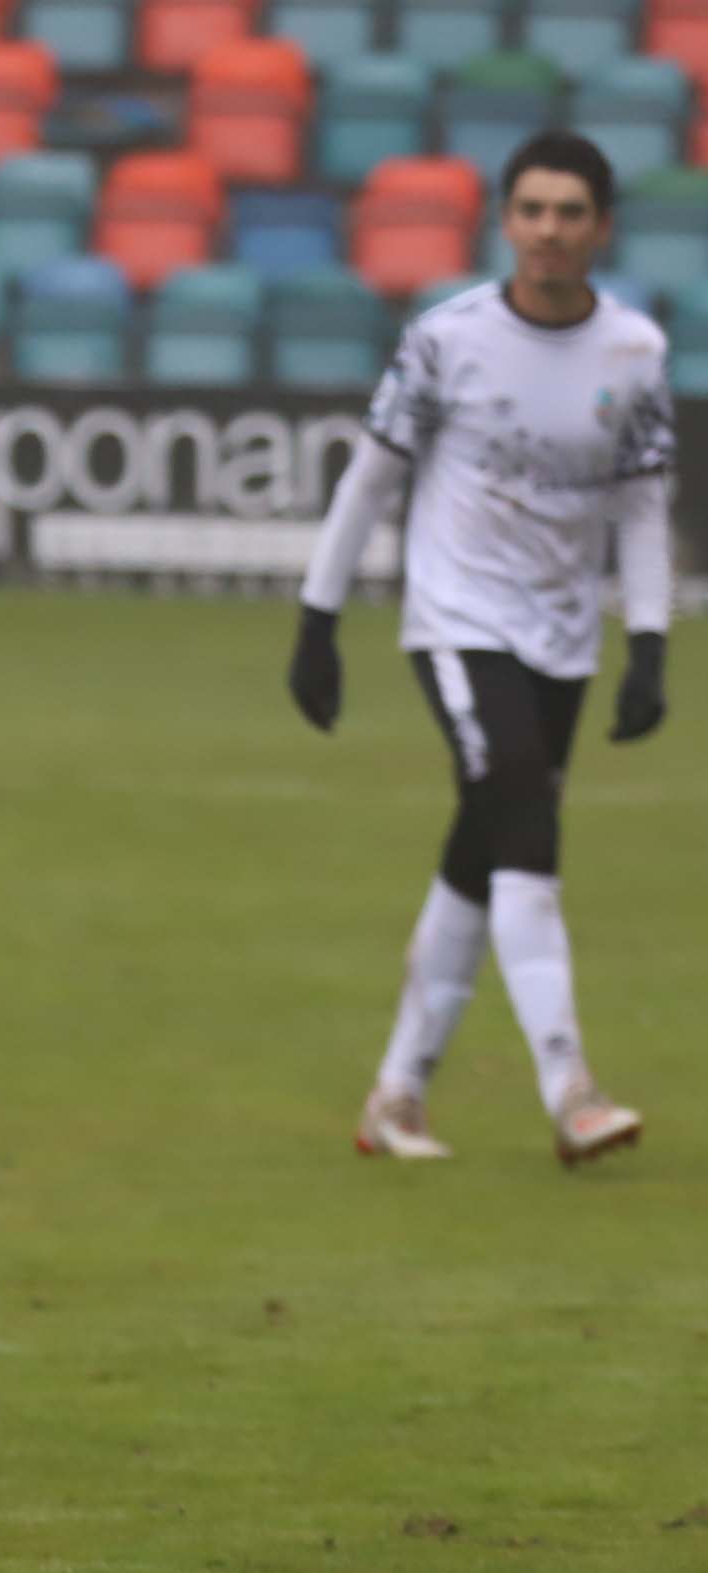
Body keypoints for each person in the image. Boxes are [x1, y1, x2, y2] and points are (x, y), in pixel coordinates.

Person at [291, 131, 669, 1167]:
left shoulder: (635, 352)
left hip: (562, 637)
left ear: (602, 228)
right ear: (505, 221)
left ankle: (398, 1094)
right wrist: (317, 623)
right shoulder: (444, 339)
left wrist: (647, 643)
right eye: (533, 210)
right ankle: (570, 1087)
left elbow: (641, 510)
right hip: (458, 621)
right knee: (523, 813)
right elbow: (369, 480)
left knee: (483, 840)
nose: (550, 230)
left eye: (571, 212)